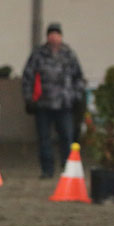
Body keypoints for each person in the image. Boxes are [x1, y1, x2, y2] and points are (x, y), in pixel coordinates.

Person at [22, 23, 86, 178]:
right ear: (47, 36)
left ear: (61, 36)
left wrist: (75, 96)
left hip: (64, 105)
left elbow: (79, 77)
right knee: (44, 139)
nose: (54, 37)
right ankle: (47, 170)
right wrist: (29, 98)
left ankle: (68, 168)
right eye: (51, 34)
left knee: (67, 138)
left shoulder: (69, 54)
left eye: (56, 34)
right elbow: (28, 76)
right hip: (43, 104)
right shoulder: (38, 54)